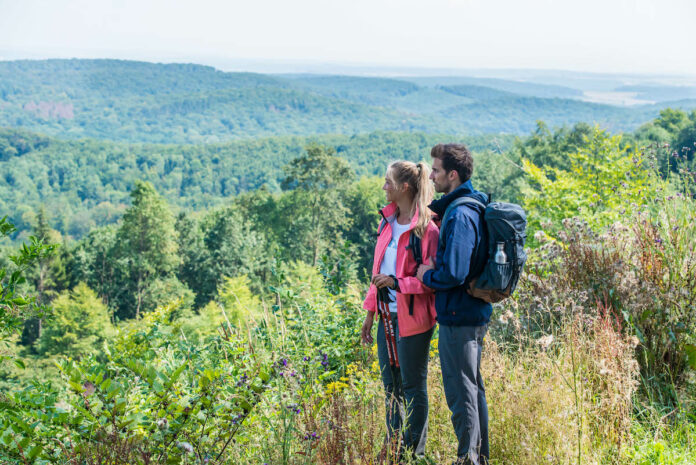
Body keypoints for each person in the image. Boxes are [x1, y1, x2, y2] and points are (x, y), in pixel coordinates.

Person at [416, 144, 491, 465]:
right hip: (471, 313)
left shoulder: (460, 214)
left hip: (459, 316)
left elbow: (455, 273)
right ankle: (480, 457)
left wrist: (426, 275)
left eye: (435, 170)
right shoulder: (470, 206)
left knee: (461, 392)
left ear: (453, 175)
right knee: (473, 389)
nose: (431, 176)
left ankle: (468, 459)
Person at [361, 160, 439, 461]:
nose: (383, 187)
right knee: (390, 385)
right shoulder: (387, 222)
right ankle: (394, 449)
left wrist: (396, 283)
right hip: (385, 316)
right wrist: (370, 315)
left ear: (404, 187)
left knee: (412, 386)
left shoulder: (426, 230)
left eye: (388, 182)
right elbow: (376, 271)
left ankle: (413, 452)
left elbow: (430, 283)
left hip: (414, 319)